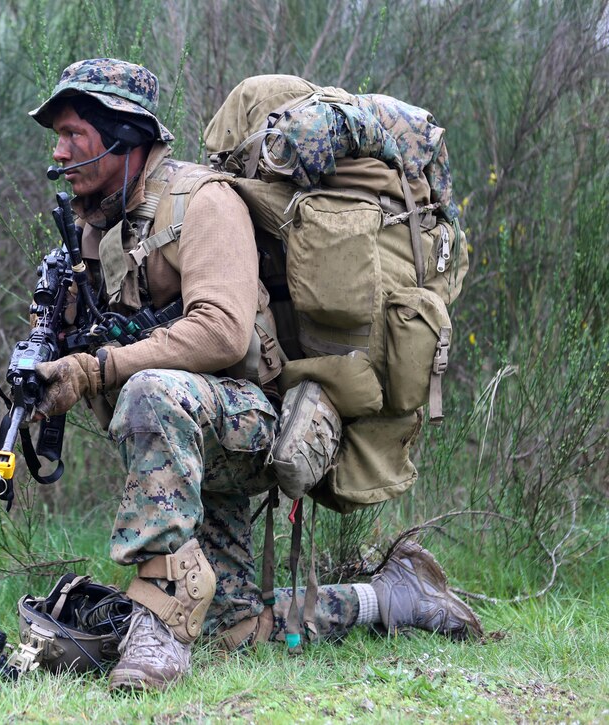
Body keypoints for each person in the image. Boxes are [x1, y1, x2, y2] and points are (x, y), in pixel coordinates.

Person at [27, 58, 483, 693]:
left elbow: (221, 331)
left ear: (123, 135)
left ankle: (158, 623)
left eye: (74, 135)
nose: (59, 151)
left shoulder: (201, 203)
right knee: (236, 629)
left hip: (251, 420)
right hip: (191, 443)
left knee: (152, 391)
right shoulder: (97, 229)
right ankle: (397, 597)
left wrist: (96, 366)